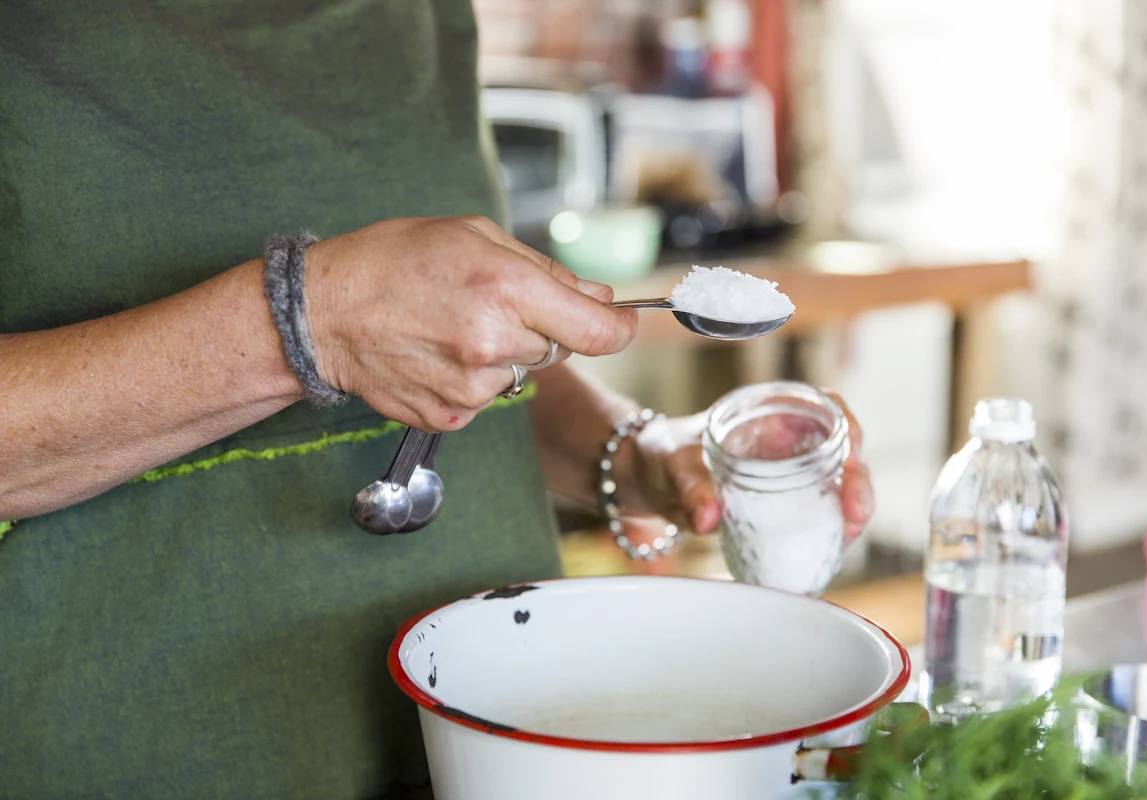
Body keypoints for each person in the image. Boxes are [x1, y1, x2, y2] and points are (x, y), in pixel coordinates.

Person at [0, 2, 874, 797]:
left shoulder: (419, 17)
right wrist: (309, 322)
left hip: (498, 738)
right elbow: (361, 315)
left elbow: (464, 337)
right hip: (128, 747)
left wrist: (635, 450)